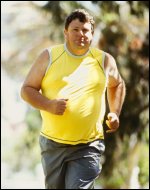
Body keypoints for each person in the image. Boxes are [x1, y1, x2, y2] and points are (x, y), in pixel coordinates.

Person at [21, 9, 126, 189]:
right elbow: (26, 90)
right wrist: (48, 105)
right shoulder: (49, 56)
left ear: (92, 34)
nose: (81, 34)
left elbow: (117, 84)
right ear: (66, 32)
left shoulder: (104, 60)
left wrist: (115, 113)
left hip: (89, 146)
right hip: (53, 144)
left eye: (85, 30)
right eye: (75, 29)